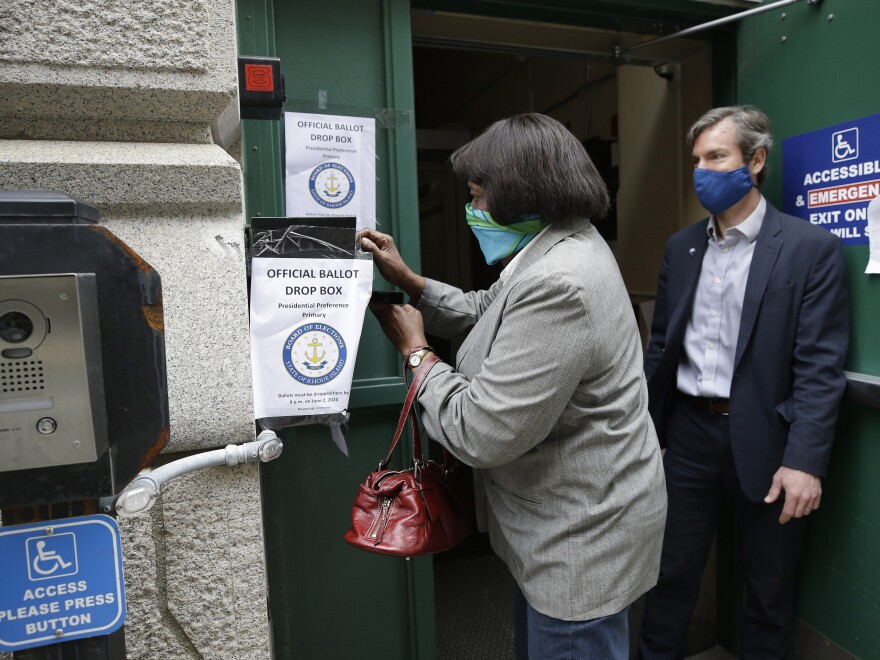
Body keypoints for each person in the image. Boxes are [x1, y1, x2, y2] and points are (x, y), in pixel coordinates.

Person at [359, 113, 667, 660]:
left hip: (579, 541)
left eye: (477, 197)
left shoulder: (560, 282)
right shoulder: (560, 242)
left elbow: (481, 431)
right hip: (566, 523)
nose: (472, 211)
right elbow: (492, 309)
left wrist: (417, 353)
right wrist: (412, 283)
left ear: (523, 194)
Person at [636, 106, 850, 659]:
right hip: (687, 436)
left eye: (716, 157)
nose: (703, 171)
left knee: (768, 589)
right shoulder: (682, 247)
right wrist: (643, 435)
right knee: (669, 576)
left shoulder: (809, 249)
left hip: (769, 441)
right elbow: (661, 346)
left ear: (755, 161)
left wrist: (805, 461)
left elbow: (819, 367)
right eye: (697, 161)